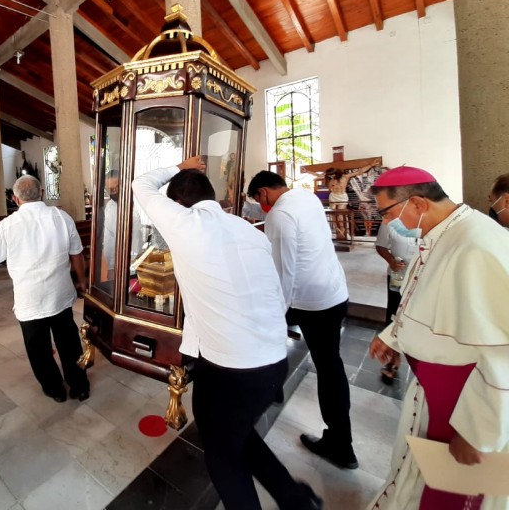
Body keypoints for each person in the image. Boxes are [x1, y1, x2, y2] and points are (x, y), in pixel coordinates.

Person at [132, 157, 322, 510]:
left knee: (222, 457)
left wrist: (179, 166)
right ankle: (295, 499)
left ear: (177, 205)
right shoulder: (247, 229)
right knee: (236, 434)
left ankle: (289, 500)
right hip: (271, 360)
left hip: (231, 370)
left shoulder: (185, 224)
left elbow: (139, 184)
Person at [368, 166, 509, 510]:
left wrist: (476, 431)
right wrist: (395, 337)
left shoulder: (476, 245)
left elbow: (502, 351)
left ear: (416, 203)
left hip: (464, 401)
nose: (386, 224)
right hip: (433, 392)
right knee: (421, 478)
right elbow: (422, 298)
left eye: (386, 213)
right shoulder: (441, 234)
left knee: (457, 491)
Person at [0, 175, 90, 403]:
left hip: (30, 301)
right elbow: (76, 254)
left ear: (15, 199)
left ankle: (54, 389)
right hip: (60, 294)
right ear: (41, 194)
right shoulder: (61, 217)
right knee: (69, 343)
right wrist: (81, 281)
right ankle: (79, 386)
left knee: (38, 349)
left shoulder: (7, 226)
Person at [248, 170, 358, 470]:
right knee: (331, 364)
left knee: (327, 367)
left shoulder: (279, 216)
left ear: (264, 193)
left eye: (259, 201)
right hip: (334, 292)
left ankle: (340, 444)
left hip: (312, 302)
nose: (262, 207)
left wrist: (275, 314)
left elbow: (283, 272)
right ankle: (278, 391)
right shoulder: (307, 198)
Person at [374, 220, 419, 384]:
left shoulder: (424, 218)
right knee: (394, 315)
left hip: (421, 276)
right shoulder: (390, 221)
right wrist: (392, 261)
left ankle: (422, 360)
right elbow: (380, 246)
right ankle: (393, 358)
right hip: (397, 276)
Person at [325, 160, 378, 240]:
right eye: (329, 176)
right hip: (333, 196)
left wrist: (371, 164)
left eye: (332, 175)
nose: (331, 176)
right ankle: (337, 229)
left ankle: (342, 228)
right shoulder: (330, 180)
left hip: (342, 196)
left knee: (339, 213)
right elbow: (316, 175)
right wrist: (307, 171)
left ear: (336, 173)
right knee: (333, 214)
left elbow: (359, 171)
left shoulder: (344, 177)